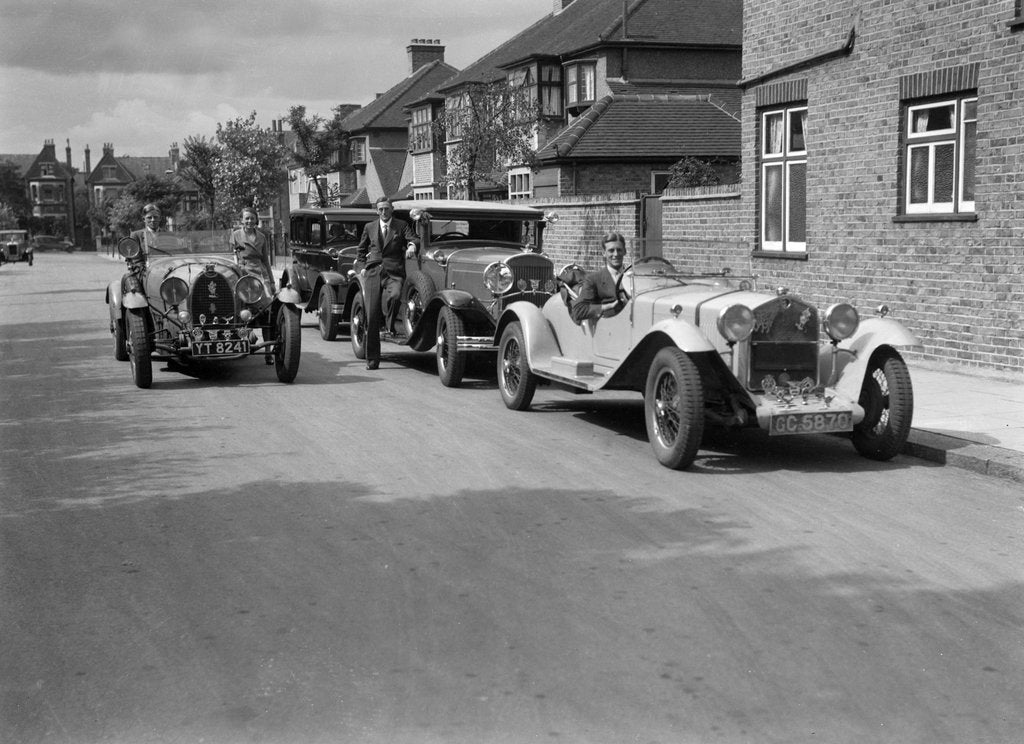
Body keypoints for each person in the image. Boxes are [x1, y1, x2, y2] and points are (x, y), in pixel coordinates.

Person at [354, 196, 419, 370]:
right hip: (373, 271)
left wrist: (412, 245)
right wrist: (361, 267)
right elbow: (361, 249)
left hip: (394, 272)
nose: (384, 212)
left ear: (392, 210)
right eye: (381, 209)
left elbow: (413, 238)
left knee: (396, 295)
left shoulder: (401, 225)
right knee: (371, 316)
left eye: (387, 209)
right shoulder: (369, 227)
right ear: (377, 211)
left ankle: (389, 324)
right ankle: (373, 360)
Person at [571, 231, 629, 324]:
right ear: (604, 253)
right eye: (611, 250)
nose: (616, 254)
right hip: (609, 330)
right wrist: (607, 306)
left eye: (619, 250)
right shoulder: (593, 279)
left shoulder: (634, 276)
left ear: (625, 251)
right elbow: (578, 311)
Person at [229, 207, 277, 299]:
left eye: (252, 218)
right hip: (243, 273)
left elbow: (266, 262)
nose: (249, 221)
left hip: (260, 274)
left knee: (267, 300)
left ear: (256, 220)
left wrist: (272, 282)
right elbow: (233, 256)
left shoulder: (262, 237)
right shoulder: (235, 235)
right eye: (247, 218)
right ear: (242, 220)